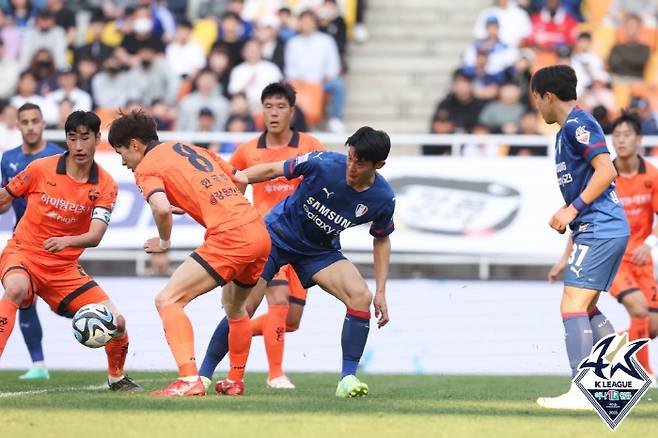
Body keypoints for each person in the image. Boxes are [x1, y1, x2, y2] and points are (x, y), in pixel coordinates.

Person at [108, 110, 271, 397]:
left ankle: (188, 379)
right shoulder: (191, 148)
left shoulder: (147, 166)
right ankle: (234, 380)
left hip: (230, 235)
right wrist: (207, 203)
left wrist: (164, 242)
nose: (123, 161)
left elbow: (159, 208)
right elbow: (241, 179)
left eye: (122, 153)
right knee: (235, 308)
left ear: (135, 144)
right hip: (257, 231)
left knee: (167, 299)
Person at [227, 126, 395, 398]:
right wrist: (229, 182)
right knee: (245, 306)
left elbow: (382, 239)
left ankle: (347, 379)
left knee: (357, 297)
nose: (351, 165)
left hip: (318, 250)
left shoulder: (383, 198)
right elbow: (271, 170)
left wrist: (382, 292)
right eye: (350, 156)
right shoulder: (324, 161)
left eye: (360, 162)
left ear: (379, 165)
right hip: (276, 235)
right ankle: (206, 374)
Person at [0, 110, 141, 392]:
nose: (78, 146)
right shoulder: (41, 169)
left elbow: (96, 235)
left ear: (97, 139)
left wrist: (66, 242)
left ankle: (117, 378)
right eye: (72, 138)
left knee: (118, 322)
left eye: (85, 138)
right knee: (15, 289)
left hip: (64, 269)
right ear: (66, 139)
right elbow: (5, 196)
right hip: (24, 253)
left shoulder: (105, 185)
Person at [198, 82, 324, 390]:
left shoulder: (310, 145)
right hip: (268, 238)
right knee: (273, 301)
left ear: (292, 111)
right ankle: (272, 373)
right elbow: (232, 193)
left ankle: (230, 338)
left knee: (288, 320)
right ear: (261, 110)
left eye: (281, 106)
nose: (274, 113)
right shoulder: (247, 151)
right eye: (268, 106)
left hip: (304, 242)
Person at [532, 65, 629, 410]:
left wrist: (571, 209)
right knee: (586, 307)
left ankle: (582, 389)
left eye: (536, 101)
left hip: (600, 225)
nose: (537, 109)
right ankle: (615, 378)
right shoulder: (565, 132)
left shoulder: (578, 123)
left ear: (548, 96)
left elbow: (607, 170)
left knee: (571, 304)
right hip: (598, 227)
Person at [549, 111, 658, 386]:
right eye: (617, 136)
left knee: (651, 324)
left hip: (641, 258)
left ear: (639, 139)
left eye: (627, 135)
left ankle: (614, 359)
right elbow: (585, 214)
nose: (621, 141)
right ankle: (641, 373)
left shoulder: (652, 176)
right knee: (637, 308)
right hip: (614, 252)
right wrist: (565, 257)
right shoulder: (603, 171)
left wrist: (649, 243)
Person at [0, 102, 62, 380]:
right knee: (22, 297)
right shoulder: (8, 158)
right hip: (24, 241)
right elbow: (4, 203)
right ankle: (38, 364)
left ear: (42, 122)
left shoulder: (58, 155)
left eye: (35, 121)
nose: (30, 127)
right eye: (24, 122)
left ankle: (108, 334)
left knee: (67, 307)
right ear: (18, 125)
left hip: (56, 242)